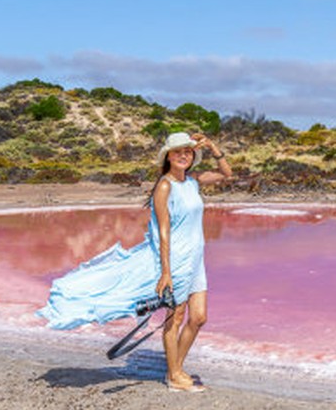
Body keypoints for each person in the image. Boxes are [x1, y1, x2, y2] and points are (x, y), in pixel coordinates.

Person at [37, 131, 232, 392]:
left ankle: (176, 369)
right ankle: (174, 376)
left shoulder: (193, 181)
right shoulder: (165, 186)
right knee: (174, 320)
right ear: (168, 157)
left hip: (197, 260)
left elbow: (227, 174)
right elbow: (163, 231)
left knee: (199, 318)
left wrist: (212, 146)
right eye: (178, 152)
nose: (184, 155)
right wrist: (166, 272)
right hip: (177, 261)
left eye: (188, 151)